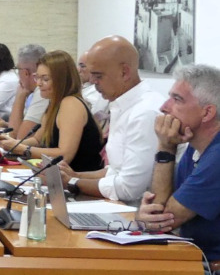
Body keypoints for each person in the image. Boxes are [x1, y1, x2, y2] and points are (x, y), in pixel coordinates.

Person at [58, 36, 164, 205]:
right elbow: (115, 171)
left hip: (136, 211)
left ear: (124, 72)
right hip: (119, 205)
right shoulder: (122, 104)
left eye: (98, 76)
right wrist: (75, 175)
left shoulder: (145, 112)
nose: (92, 82)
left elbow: (129, 189)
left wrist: (72, 183)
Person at [137, 64, 220, 268]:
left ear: (207, 112)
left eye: (177, 99)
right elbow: (159, 211)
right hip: (191, 258)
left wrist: (166, 146)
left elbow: (163, 221)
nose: (164, 107)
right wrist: (146, 215)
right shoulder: (195, 146)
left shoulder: (217, 156)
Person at [0, 50, 104, 172]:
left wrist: (22, 149)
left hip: (78, 178)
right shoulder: (54, 103)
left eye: (45, 79)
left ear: (62, 80)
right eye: (37, 77)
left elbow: (65, 155)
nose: (39, 84)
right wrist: (12, 144)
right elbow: (37, 140)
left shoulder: (71, 104)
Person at [0, 44, 49, 139]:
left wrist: (20, 97)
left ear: (25, 72)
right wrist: (6, 124)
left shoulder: (42, 93)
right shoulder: (32, 93)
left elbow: (17, 136)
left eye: (17, 69)